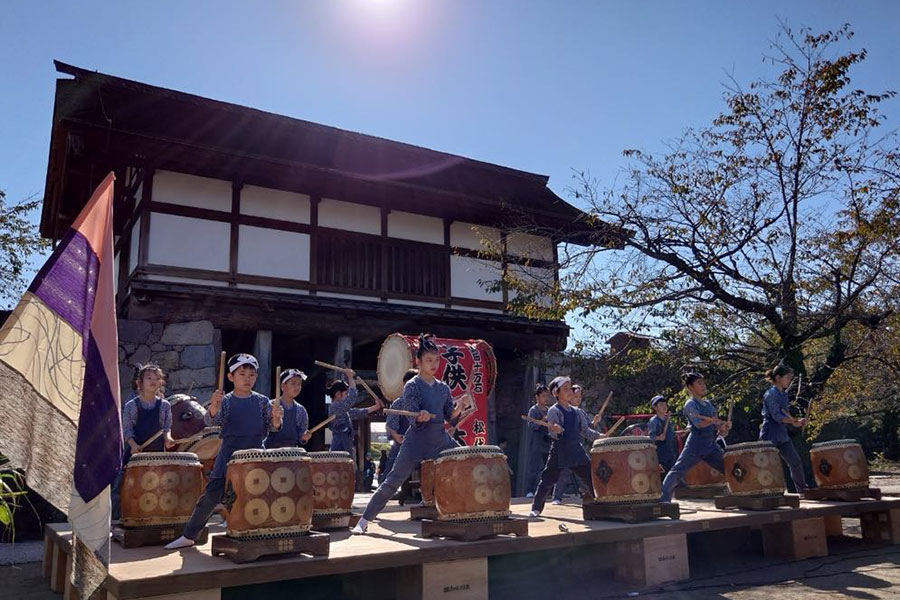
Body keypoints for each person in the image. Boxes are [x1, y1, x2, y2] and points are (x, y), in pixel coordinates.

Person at [165, 353, 283, 549]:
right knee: (211, 495)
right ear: (231, 377)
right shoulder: (225, 400)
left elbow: (273, 427)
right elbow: (213, 422)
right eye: (242, 373)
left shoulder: (263, 401)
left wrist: (277, 418)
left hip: (255, 454)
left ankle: (267, 532)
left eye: (251, 374)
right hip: (229, 452)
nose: (247, 378)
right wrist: (213, 408)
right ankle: (189, 535)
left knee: (262, 494)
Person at [352, 334, 467, 534]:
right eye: (429, 360)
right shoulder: (412, 385)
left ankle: (465, 511)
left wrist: (459, 408)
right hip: (416, 441)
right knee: (393, 480)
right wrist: (420, 416)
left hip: (440, 439)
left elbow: (450, 417)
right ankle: (363, 520)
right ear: (418, 362)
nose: (434, 364)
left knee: (465, 460)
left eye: (436, 360)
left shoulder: (443, 388)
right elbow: (413, 415)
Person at [529, 376, 602, 517]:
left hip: (576, 450)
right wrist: (556, 431)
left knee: (590, 477)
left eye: (570, 388)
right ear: (556, 393)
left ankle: (601, 504)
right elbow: (553, 434)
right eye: (565, 389)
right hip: (559, 451)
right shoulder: (554, 411)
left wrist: (600, 436)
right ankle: (536, 508)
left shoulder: (577, 412)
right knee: (547, 480)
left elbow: (586, 431)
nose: (570, 391)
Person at [659, 372, 731, 502]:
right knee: (678, 471)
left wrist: (723, 427)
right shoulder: (690, 404)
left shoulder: (708, 405)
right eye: (699, 383)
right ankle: (664, 499)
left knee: (728, 467)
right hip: (696, 444)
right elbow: (698, 424)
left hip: (710, 444)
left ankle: (738, 491)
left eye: (703, 382)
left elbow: (718, 430)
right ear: (690, 387)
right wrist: (713, 421)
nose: (703, 386)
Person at [113, 363, 173, 519]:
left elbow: (166, 428)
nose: (153, 381)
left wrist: (168, 438)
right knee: (123, 488)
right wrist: (133, 445)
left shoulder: (165, 406)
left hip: (157, 454)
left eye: (157, 378)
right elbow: (127, 431)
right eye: (149, 377)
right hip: (135, 454)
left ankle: (155, 519)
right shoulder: (131, 406)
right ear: (140, 383)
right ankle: (120, 519)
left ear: (161, 382)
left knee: (157, 489)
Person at [760, 362, 809, 493]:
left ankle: (803, 491)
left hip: (782, 434)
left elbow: (785, 416)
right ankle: (768, 492)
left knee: (795, 462)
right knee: (768, 466)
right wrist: (793, 422)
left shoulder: (783, 394)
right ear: (778, 378)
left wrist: (796, 422)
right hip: (769, 434)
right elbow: (777, 416)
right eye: (787, 378)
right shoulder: (770, 394)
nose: (789, 381)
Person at [328, 368, 382, 456]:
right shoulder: (335, 406)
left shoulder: (343, 410)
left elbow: (357, 413)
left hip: (346, 447)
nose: (347, 396)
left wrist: (376, 407)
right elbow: (352, 398)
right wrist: (350, 377)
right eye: (346, 394)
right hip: (339, 449)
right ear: (338, 394)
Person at [264, 369, 311, 449]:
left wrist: (304, 437)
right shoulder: (270, 405)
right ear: (282, 386)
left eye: (299, 384)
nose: (297, 387)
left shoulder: (301, 410)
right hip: (271, 453)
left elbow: (301, 436)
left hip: (291, 453)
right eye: (293, 383)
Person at [525, 384, 552, 498]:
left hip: (548, 441)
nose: (546, 398)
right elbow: (532, 427)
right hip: (537, 442)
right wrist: (541, 420)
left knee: (549, 467)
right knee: (534, 467)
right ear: (537, 397)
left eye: (547, 396)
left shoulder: (550, 410)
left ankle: (550, 491)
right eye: (543, 396)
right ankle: (529, 491)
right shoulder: (533, 410)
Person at [648, 395, 677, 475]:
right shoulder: (654, 421)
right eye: (661, 405)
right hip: (660, 454)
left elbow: (671, 434)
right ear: (655, 407)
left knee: (674, 474)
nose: (664, 407)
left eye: (665, 404)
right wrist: (658, 438)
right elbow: (650, 437)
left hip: (671, 451)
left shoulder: (667, 420)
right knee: (664, 476)